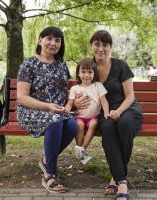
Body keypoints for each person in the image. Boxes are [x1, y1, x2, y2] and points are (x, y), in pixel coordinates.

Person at [75, 30, 143, 200]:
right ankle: (122, 180)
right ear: (91, 46)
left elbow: (130, 96)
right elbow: (81, 92)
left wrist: (119, 111)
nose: (101, 48)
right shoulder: (87, 67)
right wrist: (76, 104)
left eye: (105, 44)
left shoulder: (120, 66)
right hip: (103, 112)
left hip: (127, 109)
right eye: (97, 44)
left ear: (110, 47)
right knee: (108, 129)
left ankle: (117, 179)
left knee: (125, 125)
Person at [16, 26, 77, 193]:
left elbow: (65, 92)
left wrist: (75, 102)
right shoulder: (28, 64)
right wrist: (47, 106)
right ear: (40, 40)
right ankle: (49, 173)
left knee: (72, 126)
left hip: (56, 111)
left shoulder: (62, 65)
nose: (53, 43)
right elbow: (22, 97)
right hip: (31, 110)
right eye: (49, 38)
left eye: (57, 40)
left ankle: (46, 159)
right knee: (55, 121)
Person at [64, 58, 109, 165]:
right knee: (79, 125)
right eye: (83, 72)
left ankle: (82, 149)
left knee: (94, 123)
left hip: (93, 117)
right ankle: (81, 152)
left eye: (90, 72)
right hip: (80, 117)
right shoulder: (75, 88)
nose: (86, 75)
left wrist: (107, 113)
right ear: (78, 74)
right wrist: (65, 111)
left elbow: (104, 101)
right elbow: (70, 103)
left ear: (94, 73)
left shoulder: (98, 85)